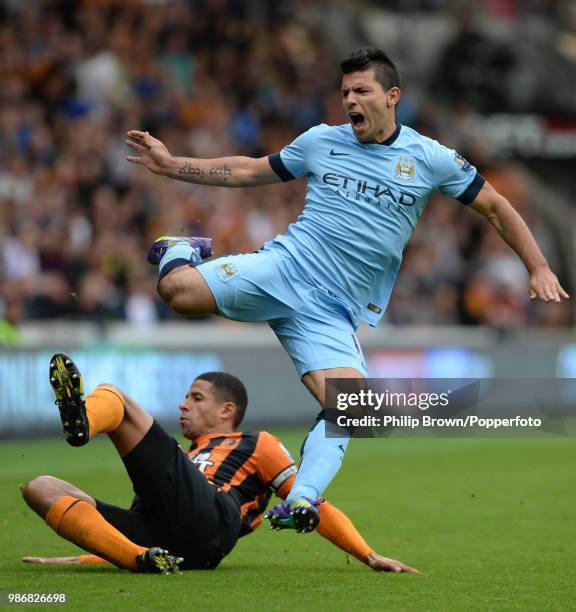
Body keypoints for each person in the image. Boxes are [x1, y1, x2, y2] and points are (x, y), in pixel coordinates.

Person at [125, 47, 569, 532]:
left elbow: (497, 207)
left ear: (392, 96)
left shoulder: (430, 158)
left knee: (354, 411)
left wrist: (539, 266)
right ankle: (180, 246)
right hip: (286, 268)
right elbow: (252, 169)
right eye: (345, 93)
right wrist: (173, 166)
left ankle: (303, 502)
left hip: (332, 313)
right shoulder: (320, 141)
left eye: (361, 91)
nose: (350, 100)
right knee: (177, 291)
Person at [21, 353, 417, 574]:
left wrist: (367, 553)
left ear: (227, 409)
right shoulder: (184, 459)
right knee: (40, 487)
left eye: (196, 397)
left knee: (115, 397)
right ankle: (136, 559)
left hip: (213, 519)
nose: (183, 404)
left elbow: (308, 500)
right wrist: (78, 556)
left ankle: (81, 422)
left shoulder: (255, 442)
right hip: (168, 542)